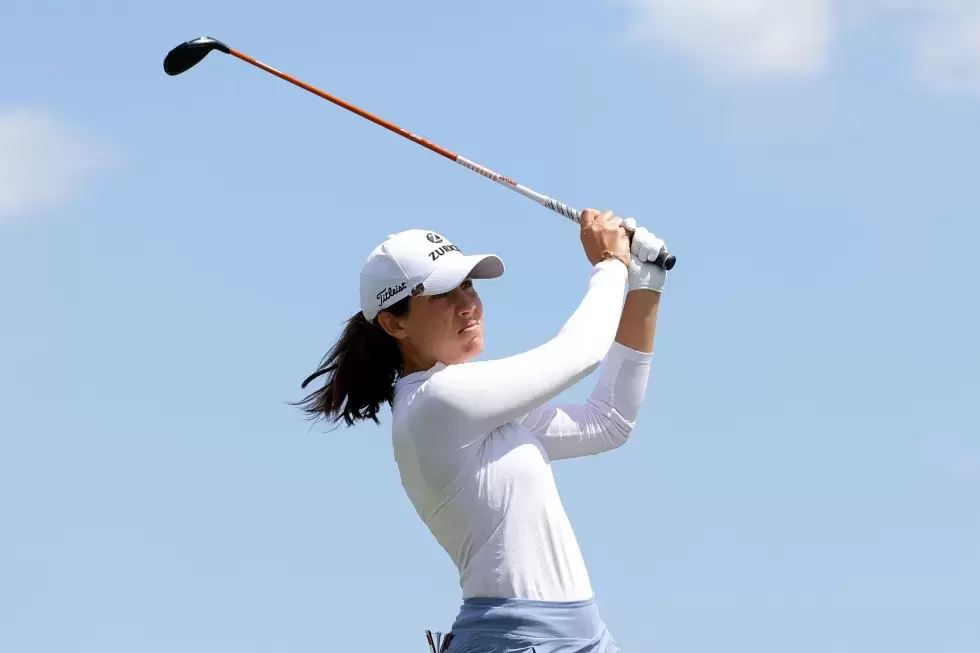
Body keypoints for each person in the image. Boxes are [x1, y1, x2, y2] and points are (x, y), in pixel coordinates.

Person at [296, 209, 667, 652]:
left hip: (586, 637)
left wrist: (645, 284)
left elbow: (607, 422)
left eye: (468, 285)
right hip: (516, 640)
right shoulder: (436, 402)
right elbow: (580, 352)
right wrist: (609, 264)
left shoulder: (469, 405)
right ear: (394, 323)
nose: (467, 304)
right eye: (442, 293)